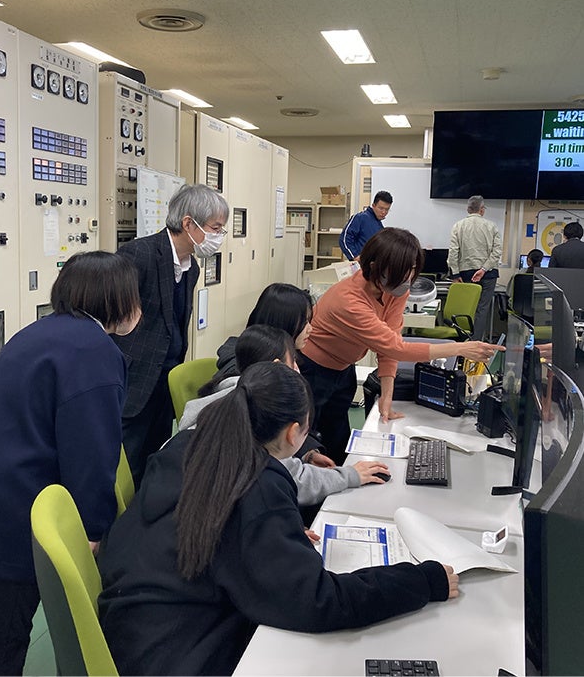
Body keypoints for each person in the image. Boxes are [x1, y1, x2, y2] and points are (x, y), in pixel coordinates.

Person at [98, 362, 459, 677]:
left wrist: (273, 534)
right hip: (183, 657)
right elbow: (318, 602)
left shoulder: (187, 448)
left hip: (135, 632)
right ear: (292, 433)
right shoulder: (257, 486)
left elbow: (214, 526)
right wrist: (423, 581)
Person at [0, 251, 142, 676]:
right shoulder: (94, 352)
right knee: (0, 645)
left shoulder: (39, 332)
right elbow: (92, 451)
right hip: (6, 514)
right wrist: (92, 530)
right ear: (116, 299)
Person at [299, 227, 504, 464]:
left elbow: (389, 341)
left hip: (344, 368)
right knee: (307, 440)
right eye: (401, 270)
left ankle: (339, 480)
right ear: (375, 266)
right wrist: (459, 348)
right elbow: (395, 347)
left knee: (337, 438)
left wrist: (387, 396)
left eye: (412, 270)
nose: (408, 278)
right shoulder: (349, 300)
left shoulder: (394, 289)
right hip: (313, 369)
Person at [179, 325, 390, 512]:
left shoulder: (236, 393)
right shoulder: (256, 414)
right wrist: (350, 475)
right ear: (277, 365)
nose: (297, 367)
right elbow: (291, 478)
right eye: (294, 361)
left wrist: (306, 454)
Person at [113, 183, 230, 487]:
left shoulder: (192, 268)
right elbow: (111, 320)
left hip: (166, 377)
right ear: (188, 224)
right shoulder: (138, 255)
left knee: (156, 457)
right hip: (134, 380)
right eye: (215, 228)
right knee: (126, 462)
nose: (219, 236)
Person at [215, 282, 313, 379]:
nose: (310, 329)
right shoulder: (243, 372)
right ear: (284, 321)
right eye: (304, 322)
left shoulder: (292, 357)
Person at [447, 195, 503, 341]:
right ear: (482, 210)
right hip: (488, 274)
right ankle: (476, 342)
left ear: (468, 209)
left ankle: (463, 341)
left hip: (465, 274)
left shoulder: (458, 226)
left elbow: (453, 252)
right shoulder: (492, 226)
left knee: (465, 308)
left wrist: (455, 274)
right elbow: (497, 252)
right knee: (482, 309)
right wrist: (484, 269)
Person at [338, 189, 393, 260]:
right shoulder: (360, 218)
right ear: (373, 205)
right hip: (360, 263)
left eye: (387, 209)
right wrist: (354, 256)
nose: (384, 212)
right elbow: (344, 239)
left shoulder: (380, 226)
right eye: (381, 208)